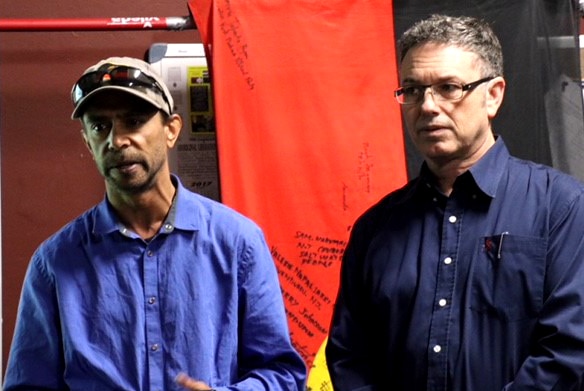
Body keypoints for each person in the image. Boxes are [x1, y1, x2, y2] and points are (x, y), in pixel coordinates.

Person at [4, 56, 306, 391]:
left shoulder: (237, 243)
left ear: (172, 130)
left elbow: (283, 375)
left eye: (133, 121)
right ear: (88, 143)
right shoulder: (55, 262)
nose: (117, 141)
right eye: (100, 127)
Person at [326, 14, 584, 391]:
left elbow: (569, 351)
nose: (427, 106)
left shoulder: (562, 208)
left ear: (493, 95)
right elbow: (350, 356)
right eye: (412, 90)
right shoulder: (376, 228)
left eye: (448, 87)